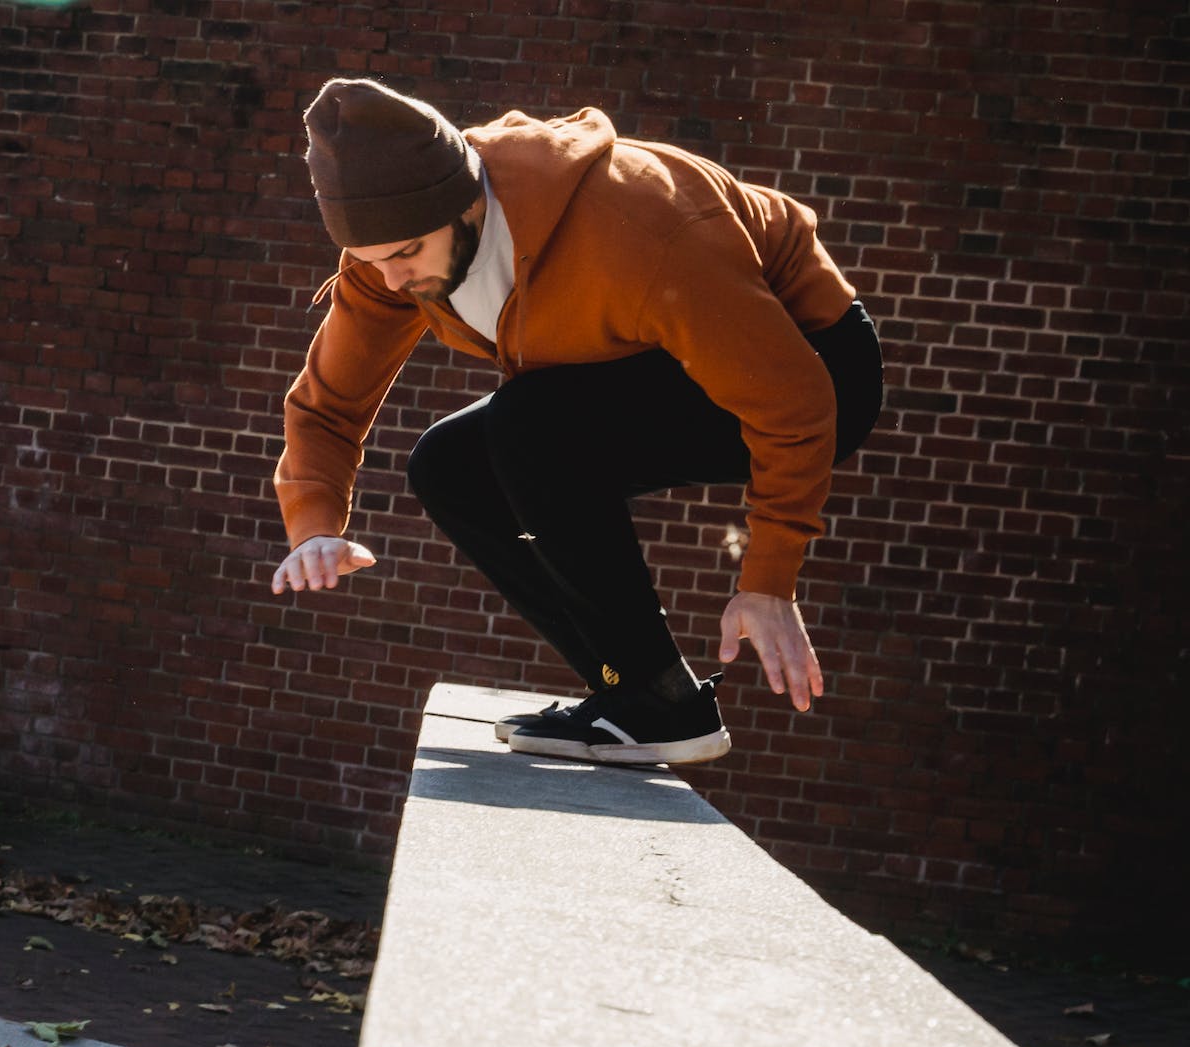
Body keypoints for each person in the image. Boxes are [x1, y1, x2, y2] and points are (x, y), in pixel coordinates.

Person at [268, 78, 883, 765]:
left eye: (407, 254)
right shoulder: (388, 255)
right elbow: (328, 404)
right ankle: (635, 691)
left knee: (529, 424)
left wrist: (768, 579)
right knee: (449, 466)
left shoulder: (635, 223)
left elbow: (793, 399)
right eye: (372, 261)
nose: (392, 281)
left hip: (817, 363)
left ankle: (655, 704)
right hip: (662, 358)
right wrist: (315, 529)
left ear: (466, 204)